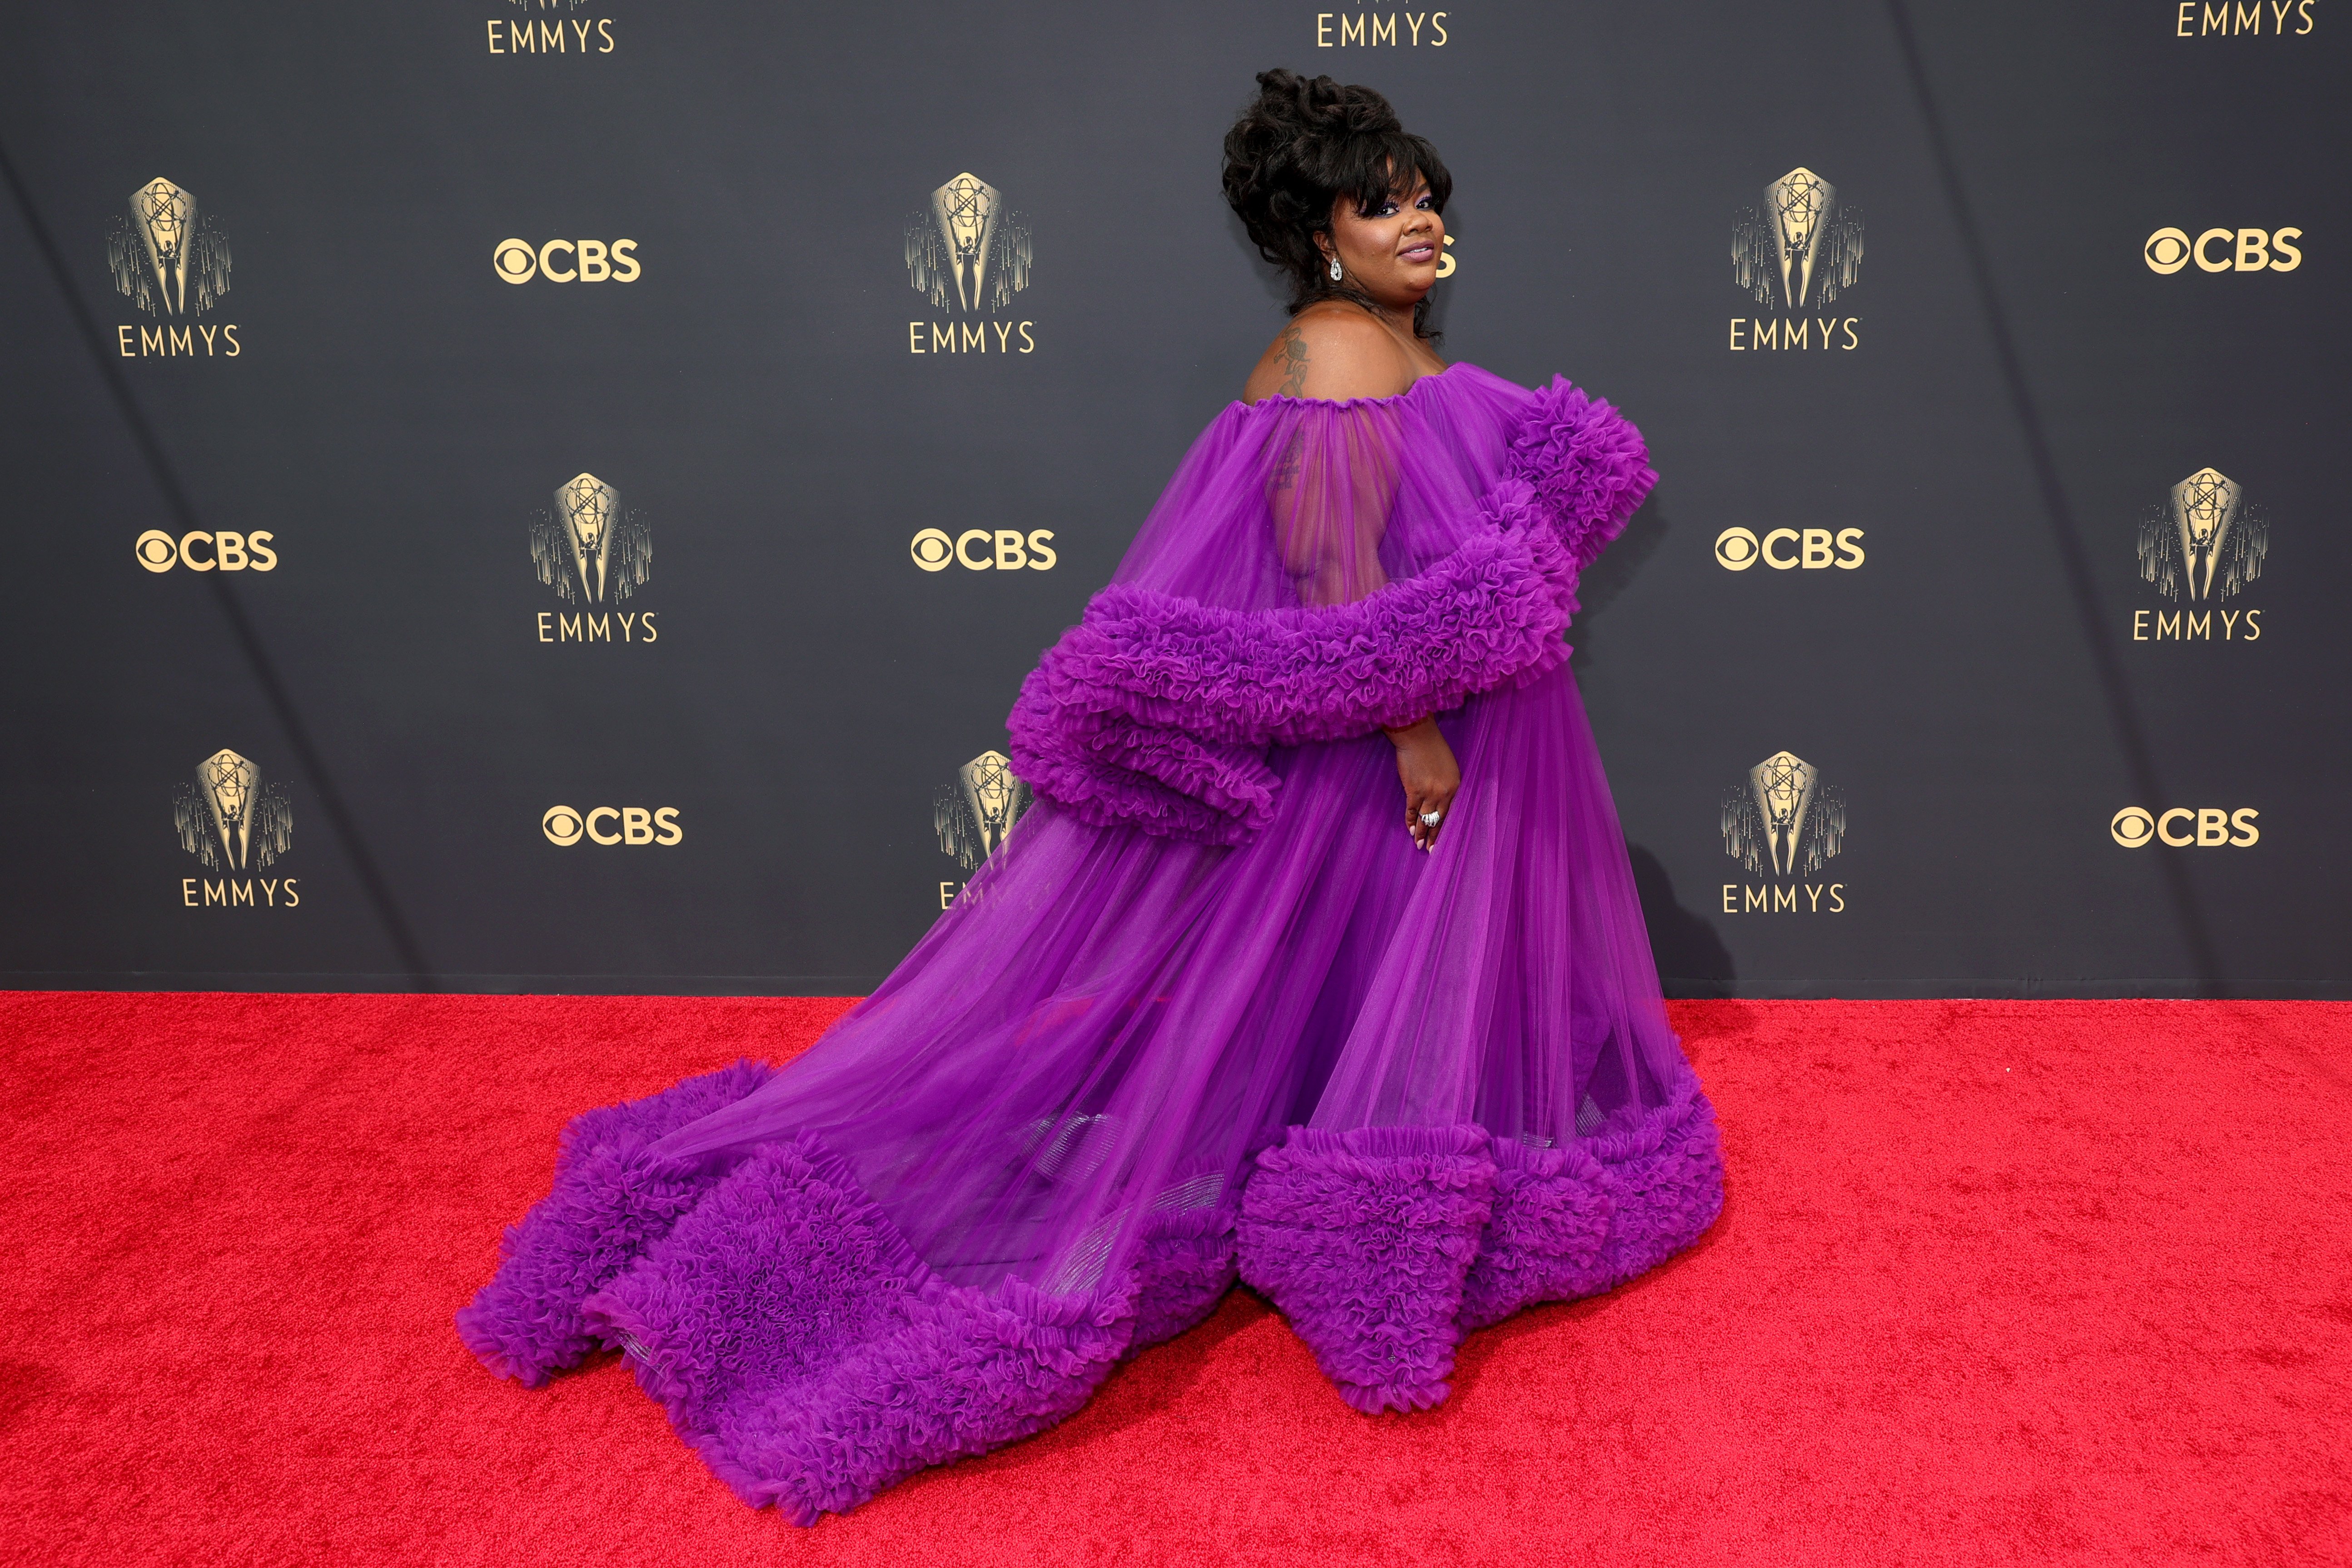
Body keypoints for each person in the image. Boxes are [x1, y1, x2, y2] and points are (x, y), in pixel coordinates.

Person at [459, 68, 1724, 1525]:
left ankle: (1313, 1189)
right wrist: (1421, 739)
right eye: (1379, 201)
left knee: (1300, 1009)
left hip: (1356, 762)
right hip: (1376, 764)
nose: (1418, 218)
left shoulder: (1349, 345)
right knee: (1333, 998)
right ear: (1319, 235)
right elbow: (1330, 570)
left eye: (1421, 189)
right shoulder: (1337, 353)